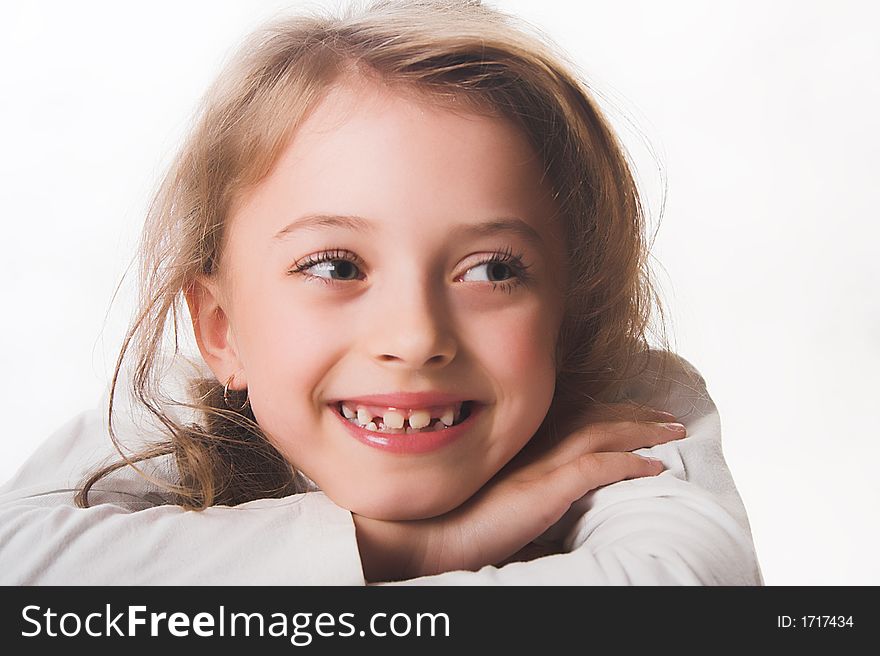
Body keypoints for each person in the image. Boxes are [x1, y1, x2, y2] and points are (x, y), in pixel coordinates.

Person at [0, 0, 762, 585]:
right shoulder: (174, 415)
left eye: (493, 269)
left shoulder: (624, 410)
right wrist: (416, 547)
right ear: (224, 329)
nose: (414, 335)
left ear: (571, 314)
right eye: (336, 267)